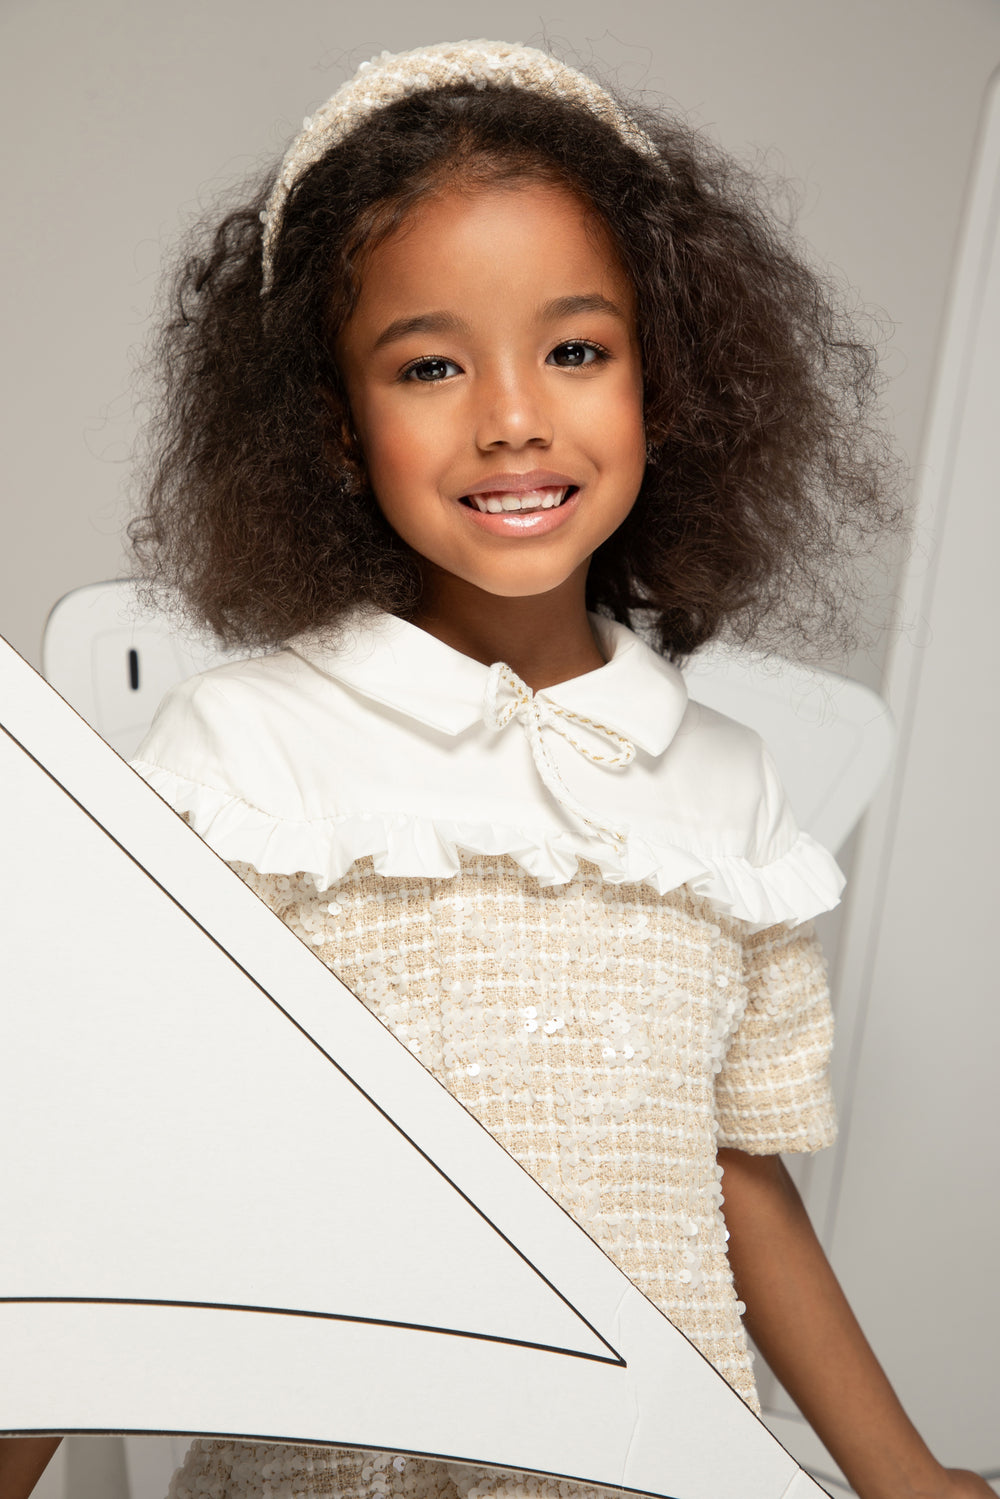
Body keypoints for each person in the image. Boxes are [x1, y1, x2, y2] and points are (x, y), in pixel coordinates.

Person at [3, 38, 990, 1499]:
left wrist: (905, 1475)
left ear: (669, 383)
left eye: (576, 349)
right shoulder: (244, 758)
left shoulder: (729, 795)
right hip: (332, 1474)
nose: (513, 415)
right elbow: (119, 1172)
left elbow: (734, 1182)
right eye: (430, 364)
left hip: (659, 1473)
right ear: (338, 427)